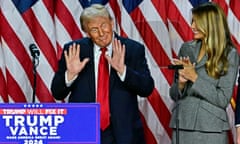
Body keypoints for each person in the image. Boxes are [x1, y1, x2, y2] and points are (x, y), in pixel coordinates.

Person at [51, 4, 154, 144]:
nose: (101, 33)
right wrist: (70, 75)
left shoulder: (132, 49)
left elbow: (147, 88)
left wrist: (123, 71)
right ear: (86, 32)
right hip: (84, 130)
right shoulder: (74, 50)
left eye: (104, 25)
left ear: (112, 23)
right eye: (94, 29)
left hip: (123, 133)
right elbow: (57, 92)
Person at [169, 2, 239, 144]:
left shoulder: (229, 54)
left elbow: (223, 99)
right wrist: (181, 84)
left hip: (210, 129)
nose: (192, 26)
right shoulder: (186, 48)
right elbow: (174, 94)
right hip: (182, 125)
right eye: (192, 21)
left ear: (210, 24)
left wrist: (195, 77)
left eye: (196, 22)